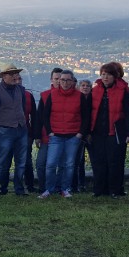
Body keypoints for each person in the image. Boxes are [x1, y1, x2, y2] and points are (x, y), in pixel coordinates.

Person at [0, 64, 30, 197]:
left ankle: (19, 189)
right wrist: (0, 127)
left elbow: (23, 108)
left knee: (21, 162)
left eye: (16, 73)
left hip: (21, 129)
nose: (15, 76)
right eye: (12, 74)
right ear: (4, 76)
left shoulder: (20, 89)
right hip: (5, 130)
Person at [39, 69, 89, 199]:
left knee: (69, 165)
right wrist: (50, 131)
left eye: (68, 80)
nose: (65, 83)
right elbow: (45, 114)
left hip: (73, 136)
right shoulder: (52, 95)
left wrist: (80, 133)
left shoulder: (79, 96)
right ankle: (49, 189)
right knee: (50, 164)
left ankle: (64, 189)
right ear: (59, 81)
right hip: (56, 135)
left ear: (73, 81)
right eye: (62, 80)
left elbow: (85, 116)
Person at [89, 63, 129, 198]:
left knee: (116, 161)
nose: (105, 77)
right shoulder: (95, 90)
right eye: (103, 74)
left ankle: (115, 190)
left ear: (115, 76)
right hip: (97, 131)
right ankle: (99, 189)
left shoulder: (124, 90)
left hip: (116, 131)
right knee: (98, 161)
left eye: (108, 74)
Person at [0, 74, 38, 194]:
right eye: (14, 78)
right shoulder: (0, 94)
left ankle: (27, 186)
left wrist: (33, 135)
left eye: (19, 78)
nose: (17, 81)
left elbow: (34, 117)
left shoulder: (28, 96)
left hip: (24, 134)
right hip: (7, 133)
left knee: (25, 161)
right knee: (6, 161)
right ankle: (3, 188)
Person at [35, 67, 64, 192]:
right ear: (51, 80)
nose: (58, 81)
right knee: (41, 164)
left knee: (61, 164)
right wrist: (37, 136)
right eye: (56, 79)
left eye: (60, 79)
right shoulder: (45, 95)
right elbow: (39, 117)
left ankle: (57, 187)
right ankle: (44, 187)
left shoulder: (72, 95)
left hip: (63, 135)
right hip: (46, 136)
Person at [73, 78, 92, 192]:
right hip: (78, 133)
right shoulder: (76, 100)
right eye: (83, 85)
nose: (85, 87)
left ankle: (83, 184)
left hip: (90, 134)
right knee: (77, 161)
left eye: (87, 86)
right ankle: (76, 185)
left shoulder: (93, 100)